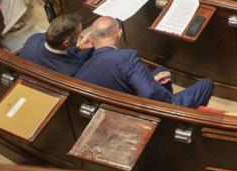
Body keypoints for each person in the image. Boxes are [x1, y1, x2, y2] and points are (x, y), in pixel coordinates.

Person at [74, 16, 214, 108]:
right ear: (119, 34)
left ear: (91, 38)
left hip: (121, 103)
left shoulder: (81, 70)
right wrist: (170, 103)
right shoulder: (127, 57)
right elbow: (150, 94)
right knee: (206, 84)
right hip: (144, 110)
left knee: (162, 71)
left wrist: (150, 80)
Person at [18, 14, 94, 76]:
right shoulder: (69, 70)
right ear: (66, 43)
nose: (81, 36)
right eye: (79, 35)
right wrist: (91, 46)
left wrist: (78, 48)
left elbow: (61, 50)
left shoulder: (35, 38)